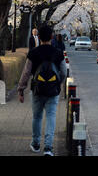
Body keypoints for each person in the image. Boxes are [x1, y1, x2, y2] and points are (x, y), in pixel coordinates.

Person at [17, 24, 67, 156]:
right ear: (52, 37)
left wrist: (21, 89)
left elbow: (26, 73)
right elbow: (63, 72)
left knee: (37, 116)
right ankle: (49, 148)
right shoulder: (58, 53)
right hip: (53, 91)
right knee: (51, 116)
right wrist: (58, 84)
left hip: (37, 90)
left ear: (39, 37)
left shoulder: (34, 53)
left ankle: (36, 144)